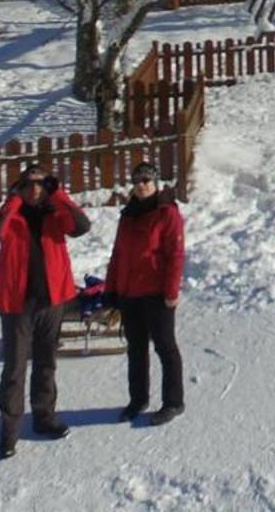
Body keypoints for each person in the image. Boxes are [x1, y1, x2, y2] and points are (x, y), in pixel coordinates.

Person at [0, 168, 90, 459]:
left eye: (42, 184)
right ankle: (9, 431)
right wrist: (13, 201)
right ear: (20, 187)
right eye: (29, 184)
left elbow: (82, 226)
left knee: (46, 364)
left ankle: (44, 418)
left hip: (52, 302)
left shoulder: (55, 213)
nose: (36, 189)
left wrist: (59, 194)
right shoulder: (10, 215)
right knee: (14, 369)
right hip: (17, 306)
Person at [106, 161, 185, 426]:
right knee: (136, 349)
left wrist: (171, 291)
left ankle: (173, 402)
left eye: (146, 181)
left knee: (165, 346)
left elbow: (175, 255)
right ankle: (138, 399)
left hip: (156, 293)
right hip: (130, 293)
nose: (141, 186)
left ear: (156, 183)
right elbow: (118, 255)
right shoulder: (128, 214)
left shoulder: (167, 213)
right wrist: (111, 289)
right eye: (137, 181)